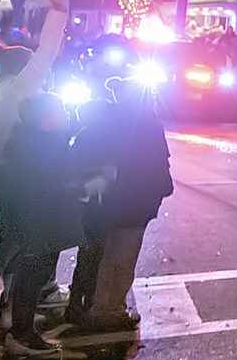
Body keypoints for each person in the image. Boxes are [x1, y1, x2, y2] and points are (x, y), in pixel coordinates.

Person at [68, 76, 174, 330]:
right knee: (120, 259)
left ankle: (96, 304)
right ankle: (107, 310)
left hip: (116, 202)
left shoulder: (116, 121)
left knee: (108, 255)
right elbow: (155, 164)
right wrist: (162, 188)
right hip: (133, 202)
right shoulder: (144, 124)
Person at [0, 93, 84, 358]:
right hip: (40, 221)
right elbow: (47, 187)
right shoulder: (40, 148)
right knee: (32, 276)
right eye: (60, 111)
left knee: (34, 275)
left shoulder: (37, 141)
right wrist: (80, 188)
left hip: (41, 221)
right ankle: (22, 334)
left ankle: (23, 327)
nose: (65, 116)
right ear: (45, 119)